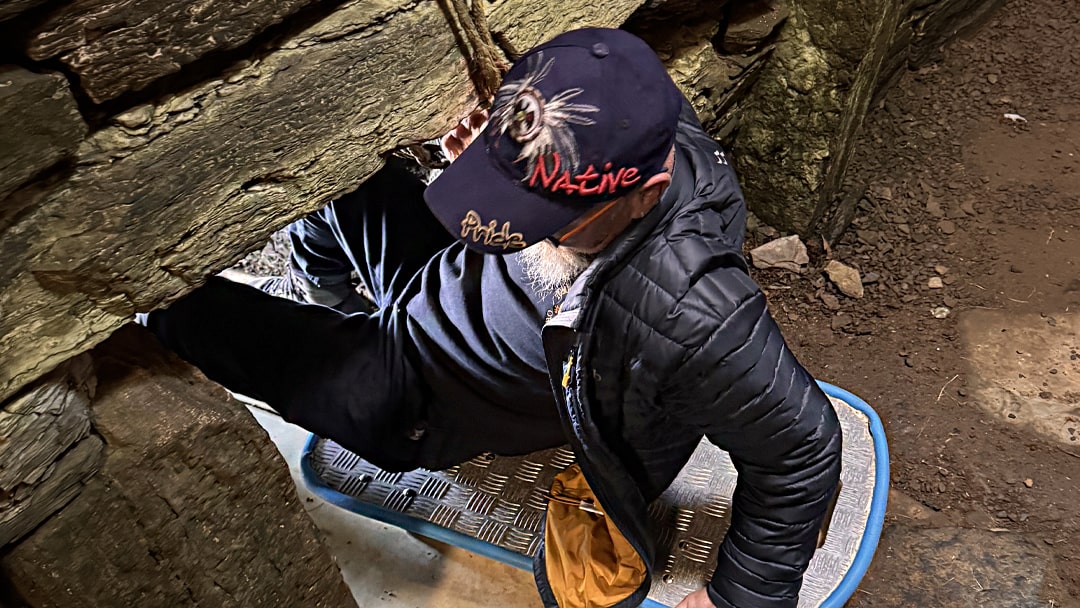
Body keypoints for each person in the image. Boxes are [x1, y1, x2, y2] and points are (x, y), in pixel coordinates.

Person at [144, 27, 842, 608]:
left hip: (425, 397)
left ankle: (297, 326)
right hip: (432, 282)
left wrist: (740, 599)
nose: (510, 228)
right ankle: (332, 305)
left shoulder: (690, 314)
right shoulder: (626, 113)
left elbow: (804, 448)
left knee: (183, 313)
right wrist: (495, 165)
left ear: (644, 194)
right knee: (344, 185)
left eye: (541, 221)